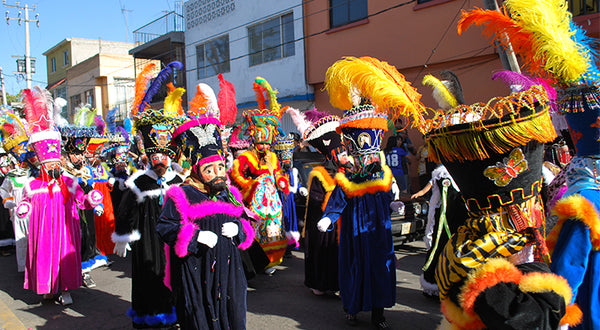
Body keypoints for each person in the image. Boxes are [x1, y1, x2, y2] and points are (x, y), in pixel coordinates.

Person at [319, 56, 425, 329]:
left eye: (370, 153)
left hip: (378, 231)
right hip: (354, 234)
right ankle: (352, 308)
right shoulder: (348, 175)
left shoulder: (383, 172)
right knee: (356, 267)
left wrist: (394, 204)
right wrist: (330, 217)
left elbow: (389, 194)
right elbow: (338, 200)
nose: (367, 158)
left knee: (379, 267)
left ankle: (379, 314)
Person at [157, 86, 254, 329]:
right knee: (200, 316)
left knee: (232, 315)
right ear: (197, 171)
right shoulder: (181, 194)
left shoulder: (229, 194)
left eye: (220, 168)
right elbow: (165, 227)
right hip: (197, 271)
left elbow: (245, 223)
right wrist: (195, 236)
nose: (217, 175)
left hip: (230, 271)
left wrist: (239, 231)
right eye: (210, 170)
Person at [112, 61, 184, 328]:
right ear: (149, 155)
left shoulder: (178, 179)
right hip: (147, 242)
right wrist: (123, 236)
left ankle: (174, 314)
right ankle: (148, 318)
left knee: (173, 276)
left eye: (165, 154)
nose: (161, 159)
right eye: (156, 154)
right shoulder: (139, 182)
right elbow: (125, 211)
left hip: (173, 240)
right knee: (149, 277)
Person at [17, 86, 102, 305]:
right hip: (43, 232)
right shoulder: (33, 185)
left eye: (57, 163)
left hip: (65, 232)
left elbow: (82, 200)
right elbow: (24, 203)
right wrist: (23, 208)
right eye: (50, 164)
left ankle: (64, 289)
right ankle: (47, 288)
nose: (55, 167)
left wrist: (91, 200)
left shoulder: (70, 183)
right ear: (43, 166)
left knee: (64, 259)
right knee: (45, 258)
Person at [287, 107, 350, 297]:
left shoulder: (349, 172)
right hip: (324, 225)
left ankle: (341, 283)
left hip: (341, 223)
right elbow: (316, 200)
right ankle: (321, 283)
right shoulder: (319, 174)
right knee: (325, 255)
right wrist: (332, 204)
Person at [230, 77, 290, 275]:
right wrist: (251, 185)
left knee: (273, 226)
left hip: (272, 199)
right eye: (260, 143)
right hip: (254, 200)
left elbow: (279, 174)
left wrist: (281, 181)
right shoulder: (246, 157)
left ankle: (274, 258)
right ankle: (258, 260)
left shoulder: (273, 156)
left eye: (266, 143)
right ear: (254, 141)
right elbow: (236, 175)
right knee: (258, 228)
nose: (264, 147)